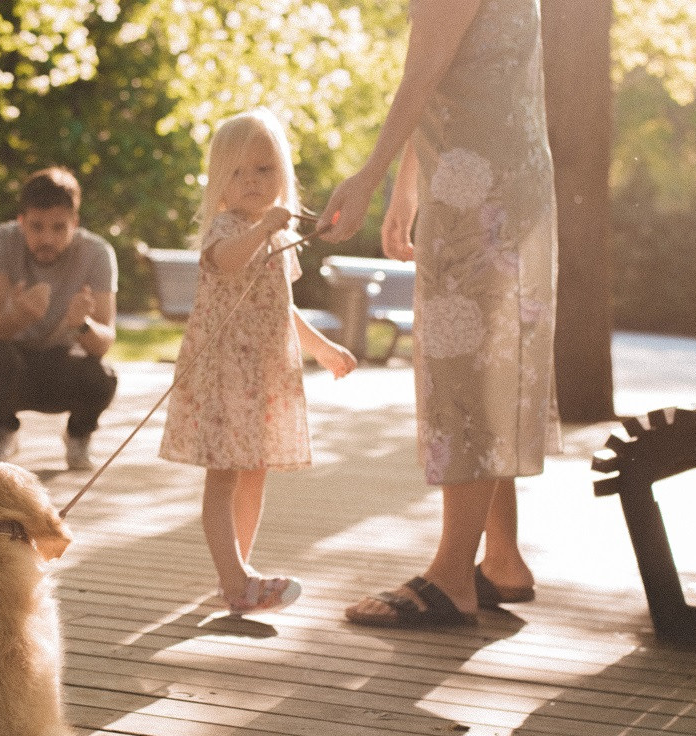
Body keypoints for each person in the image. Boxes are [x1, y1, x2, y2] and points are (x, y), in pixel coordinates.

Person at [318, 0, 558, 628]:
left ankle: (452, 575)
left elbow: (423, 71)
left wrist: (368, 177)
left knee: (466, 373)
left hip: (479, 192)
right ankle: (501, 559)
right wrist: (406, 188)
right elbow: (451, 73)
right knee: (489, 366)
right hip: (493, 179)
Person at [159, 109, 358, 616]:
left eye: (264, 170)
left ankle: (237, 572)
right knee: (224, 474)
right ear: (219, 183)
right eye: (237, 172)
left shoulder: (280, 237)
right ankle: (236, 578)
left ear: (283, 175)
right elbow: (228, 262)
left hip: (263, 376)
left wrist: (322, 348)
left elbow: (281, 306)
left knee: (255, 471)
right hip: (225, 373)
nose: (251, 181)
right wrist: (264, 228)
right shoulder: (225, 228)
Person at [0, 167, 119, 471]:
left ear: (75, 223)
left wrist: (82, 325)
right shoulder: (1, 240)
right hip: (15, 360)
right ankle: (4, 431)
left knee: (102, 377)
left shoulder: (98, 253)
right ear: (21, 221)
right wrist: (21, 315)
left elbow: (104, 342)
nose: (47, 238)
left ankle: (78, 435)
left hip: (63, 362)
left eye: (59, 228)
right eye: (36, 227)